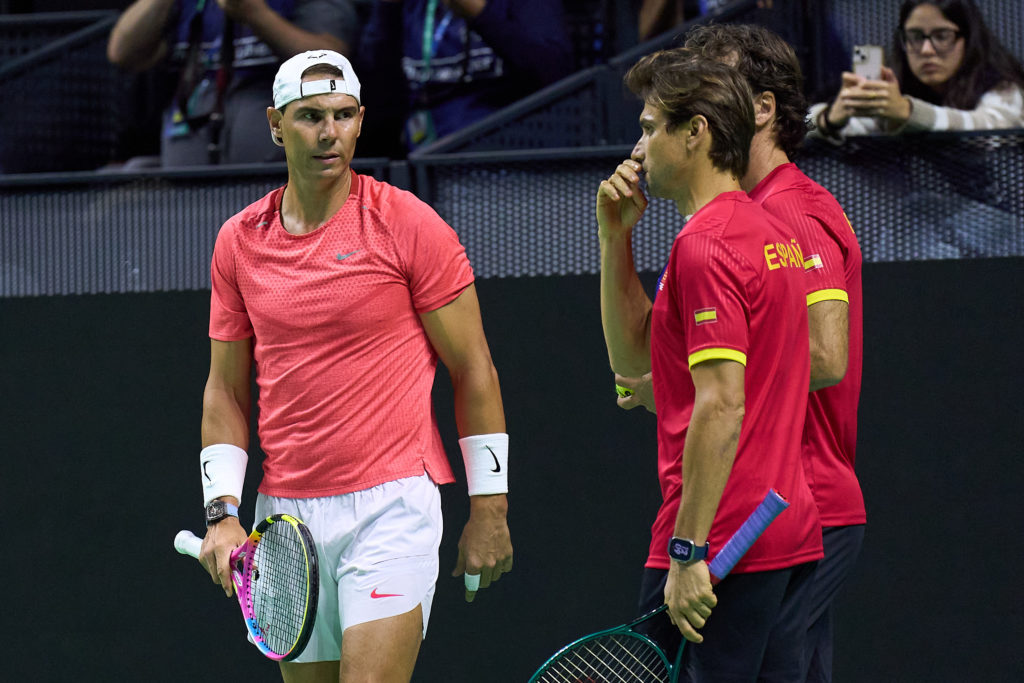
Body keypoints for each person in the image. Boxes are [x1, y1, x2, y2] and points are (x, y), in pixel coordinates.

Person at [196, 49, 513, 682]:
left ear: (361, 121)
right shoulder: (238, 240)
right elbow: (225, 391)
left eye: (343, 116)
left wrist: (491, 509)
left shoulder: (407, 224)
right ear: (275, 124)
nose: (328, 133)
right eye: (310, 116)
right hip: (286, 519)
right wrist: (222, 512)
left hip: (392, 506)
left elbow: (474, 367)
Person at [597, 50, 823, 681]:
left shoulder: (705, 244)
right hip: (784, 528)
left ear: (694, 132)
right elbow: (633, 357)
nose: (638, 149)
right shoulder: (763, 230)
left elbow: (722, 403)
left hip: (721, 541)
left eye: (649, 128)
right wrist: (615, 240)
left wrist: (688, 550)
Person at [107, 0, 358, 166]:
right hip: (185, 188)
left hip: (280, 184)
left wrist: (256, 15)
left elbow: (332, 62)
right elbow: (122, 53)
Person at [356, 0, 573, 154]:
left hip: (503, 155)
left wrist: (481, 15)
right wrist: (388, 10)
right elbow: (374, 102)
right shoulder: (409, 6)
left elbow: (556, 74)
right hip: (422, 158)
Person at [809, 0, 1024, 139]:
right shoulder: (899, 90)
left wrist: (908, 113)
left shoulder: (1003, 87)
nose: (927, 50)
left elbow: (989, 128)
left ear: (968, 40)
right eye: (915, 37)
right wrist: (829, 118)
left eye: (942, 36)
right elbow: (794, 126)